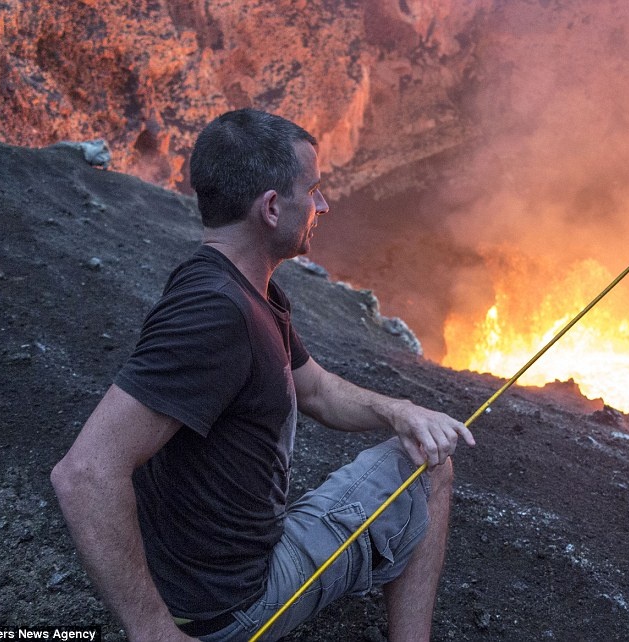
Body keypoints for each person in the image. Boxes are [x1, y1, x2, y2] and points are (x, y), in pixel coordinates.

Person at [51, 108, 475, 642]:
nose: (323, 205)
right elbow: (83, 473)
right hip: (235, 607)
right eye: (313, 191)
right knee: (429, 467)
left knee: (413, 440)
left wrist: (400, 411)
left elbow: (315, 388)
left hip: (206, 582)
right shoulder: (216, 311)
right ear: (272, 208)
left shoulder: (238, 285)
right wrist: (154, 631)